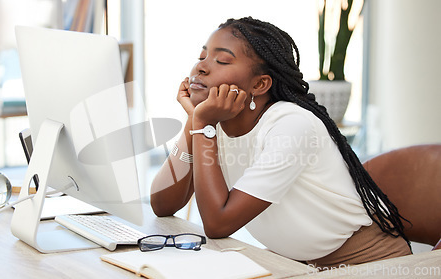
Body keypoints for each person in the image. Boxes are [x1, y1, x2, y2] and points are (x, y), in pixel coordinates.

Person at [150, 17, 411, 268]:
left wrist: (203, 125)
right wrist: (195, 121)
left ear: (260, 84)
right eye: (202, 56)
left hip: (369, 262)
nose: (201, 67)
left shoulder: (291, 125)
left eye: (222, 60)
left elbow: (217, 224)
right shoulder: (212, 121)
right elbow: (163, 205)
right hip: (297, 263)